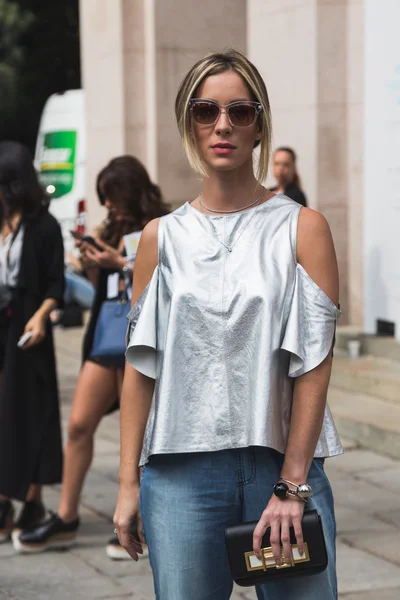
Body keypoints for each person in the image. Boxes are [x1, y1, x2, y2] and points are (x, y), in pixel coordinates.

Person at [114, 50, 342, 600]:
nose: (222, 125)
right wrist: (127, 486)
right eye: (205, 110)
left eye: (240, 111)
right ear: (187, 122)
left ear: (260, 123)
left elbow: (314, 362)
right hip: (179, 476)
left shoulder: (302, 229)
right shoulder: (159, 237)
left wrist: (291, 484)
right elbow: (141, 368)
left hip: (281, 469)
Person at [15, 155, 169, 559]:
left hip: (144, 341)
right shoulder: (112, 228)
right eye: (105, 199)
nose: (110, 207)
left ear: (131, 190)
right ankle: (67, 517)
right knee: (80, 425)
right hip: (105, 337)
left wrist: (119, 262)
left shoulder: (163, 225)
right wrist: (93, 264)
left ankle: (140, 519)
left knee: (139, 436)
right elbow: (106, 292)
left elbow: (167, 280)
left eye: (113, 197)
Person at [0, 141, 64, 542]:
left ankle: (31, 498)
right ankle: (7, 499)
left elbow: (56, 284)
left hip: (27, 330)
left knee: (30, 413)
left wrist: (41, 315)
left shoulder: (43, 224)